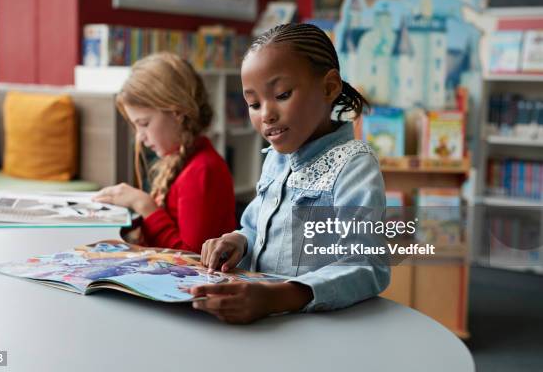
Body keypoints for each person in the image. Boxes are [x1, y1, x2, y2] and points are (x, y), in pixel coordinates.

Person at [190, 23, 389, 323]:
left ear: (329, 87)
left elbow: (367, 266)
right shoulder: (275, 158)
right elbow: (256, 229)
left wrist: (277, 297)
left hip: (313, 327)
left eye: (282, 94)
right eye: (254, 104)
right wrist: (238, 240)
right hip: (261, 320)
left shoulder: (354, 165)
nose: (266, 114)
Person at [93, 52, 236, 253]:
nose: (139, 137)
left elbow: (192, 259)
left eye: (144, 124)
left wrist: (144, 205)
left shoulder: (202, 170)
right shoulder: (180, 159)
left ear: (177, 112)